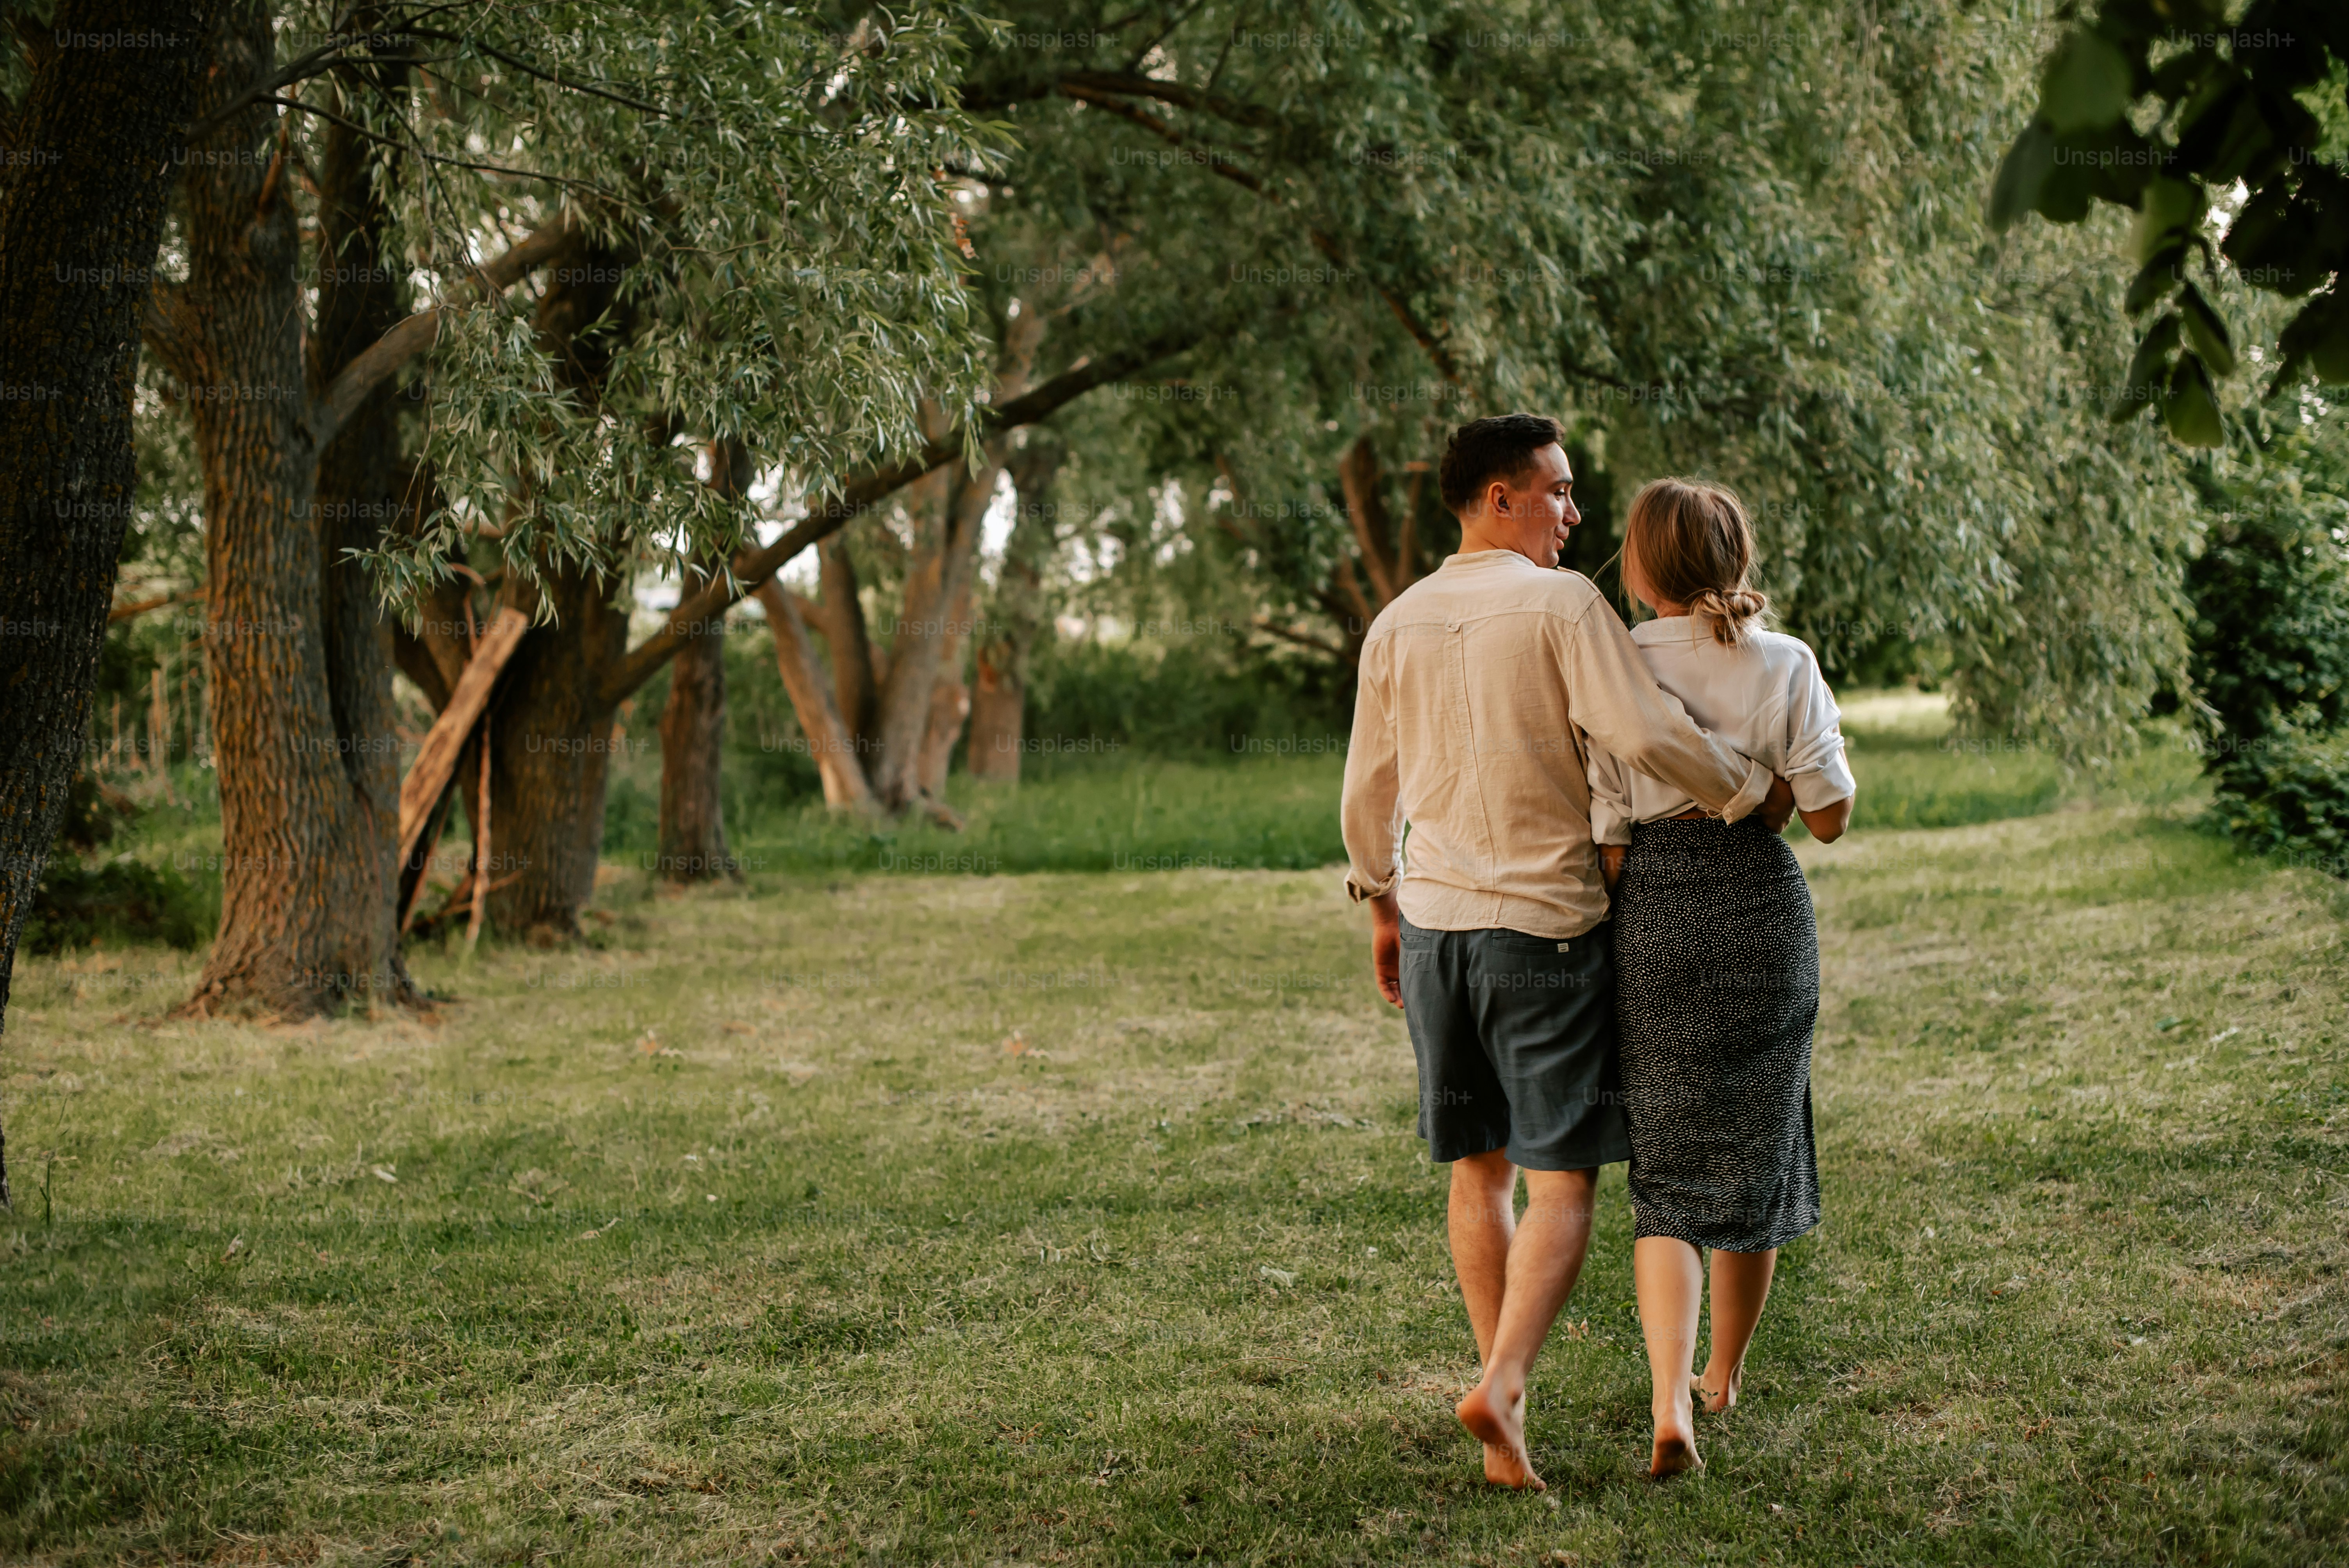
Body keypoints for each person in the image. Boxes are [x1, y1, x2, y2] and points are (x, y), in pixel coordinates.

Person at [1340, 414, 1797, 1491]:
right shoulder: (1562, 604)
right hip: (1542, 929)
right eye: (1557, 492)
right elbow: (1640, 731)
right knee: (1566, 1185)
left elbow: (1370, 785)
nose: (1575, 515)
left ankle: (1511, 1420)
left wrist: (1380, 902)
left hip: (1442, 927)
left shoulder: (1397, 622)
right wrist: (1748, 789)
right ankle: (1500, 1384)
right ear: (1499, 498)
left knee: (1476, 1172)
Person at [1584, 477, 1856, 1479]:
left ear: (1642, 565)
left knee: (1664, 1174)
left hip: (1650, 907)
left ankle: (1667, 1404)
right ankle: (1723, 1376)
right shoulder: (1783, 661)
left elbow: (1605, 834)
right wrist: (1771, 786)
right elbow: (1826, 817)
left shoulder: (1605, 663)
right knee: (1759, 1147)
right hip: (1760, 914)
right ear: (1734, 559)